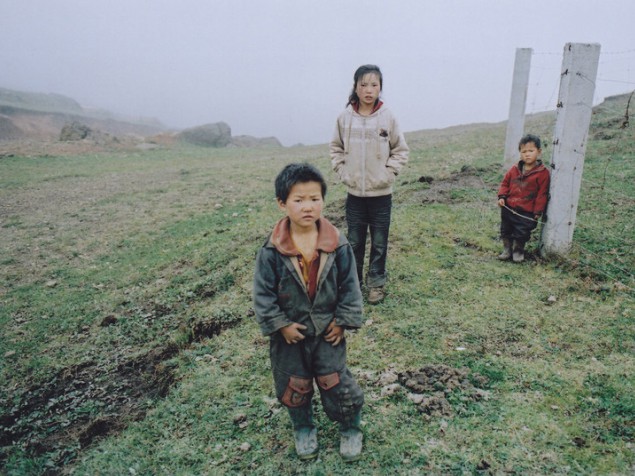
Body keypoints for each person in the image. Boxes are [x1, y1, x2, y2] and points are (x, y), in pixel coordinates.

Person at [253, 163, 365, 462]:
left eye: (314, 199)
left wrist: (342, 321)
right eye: (298, 200)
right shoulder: (271, 250)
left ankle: (350, 427)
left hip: (328, 331)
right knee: (294, 384)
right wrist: (280, 325)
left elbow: (350, 286)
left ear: (324, 201)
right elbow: (262, 294)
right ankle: (303, 428)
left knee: (336, 381)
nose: (308, 207)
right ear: (282, 203)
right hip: (290, 336)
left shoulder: (337, 244)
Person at [330, 64, 409, 304]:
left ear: (380, 88)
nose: (369, 90)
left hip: (381, 195)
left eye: (374, 85)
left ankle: (376, 283)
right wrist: (344, 172)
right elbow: (336, 148)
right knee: (354, 242)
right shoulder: (345, 118)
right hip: (354, 195)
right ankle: (353, 285)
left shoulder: (388, 117)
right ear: (355, 87)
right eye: (363, 84)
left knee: (380, 242)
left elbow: (400, 150)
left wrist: (388, 174)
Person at [497, 134, 550, 262]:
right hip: (509, 207)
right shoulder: (514, 169)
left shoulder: (543, 173)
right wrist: (502, 196)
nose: (527, 154)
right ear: (520, 153)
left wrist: (537, 211)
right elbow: (505, 183)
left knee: (522, 232)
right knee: (506, 229)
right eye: (523, 151)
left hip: (527, 211)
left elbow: (542, 194)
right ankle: (507, 249)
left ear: (539, 151)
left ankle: (518, 250)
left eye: (531, 151)